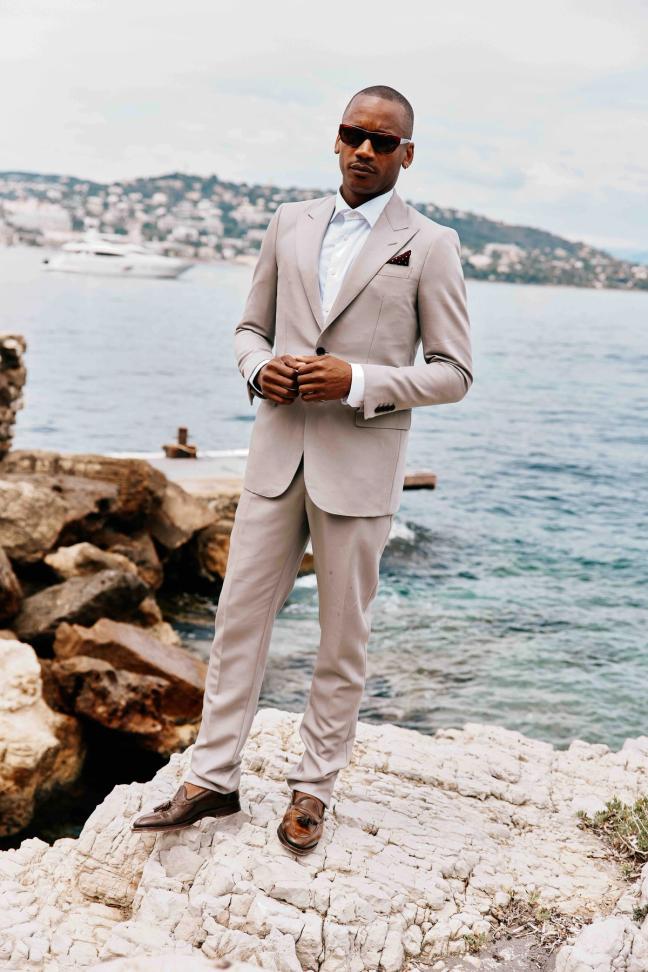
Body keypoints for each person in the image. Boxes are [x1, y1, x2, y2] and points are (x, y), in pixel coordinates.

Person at [132, 84, 473, 853]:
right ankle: (213, 778)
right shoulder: (289, 224)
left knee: (340, 640)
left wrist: (355, 380)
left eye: (383, 141)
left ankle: (314, 788)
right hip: (276, 456)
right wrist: (259, 372)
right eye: (354, 134)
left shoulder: (431, 243)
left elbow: (454, 372)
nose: (364, 149)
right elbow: (251, 326)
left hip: (359, 469)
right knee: (237, 622)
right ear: (336, 138)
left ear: (406, 154)